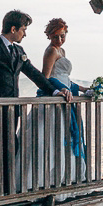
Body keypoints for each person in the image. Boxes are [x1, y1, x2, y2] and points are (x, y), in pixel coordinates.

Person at [0, 10, 70, 190]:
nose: (25, 33)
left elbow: (34, 74)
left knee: (5, 143)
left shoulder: (19, 51)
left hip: (13, 107)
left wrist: (55, 91)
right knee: (8, 142)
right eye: (23, 29)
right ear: (13, 28)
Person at [30, 18, 89, 188]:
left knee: (65, 137)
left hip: (65, 95)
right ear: (49, 36)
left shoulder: (62, 51)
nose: (60, 40)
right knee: (54, 137)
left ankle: (65, 175)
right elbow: (46, 78)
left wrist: (84, 89)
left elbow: (66, 79)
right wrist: (60, 89)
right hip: (56, 97)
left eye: (62, 36)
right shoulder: (51, 51)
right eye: (56, 37)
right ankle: (49, 179)